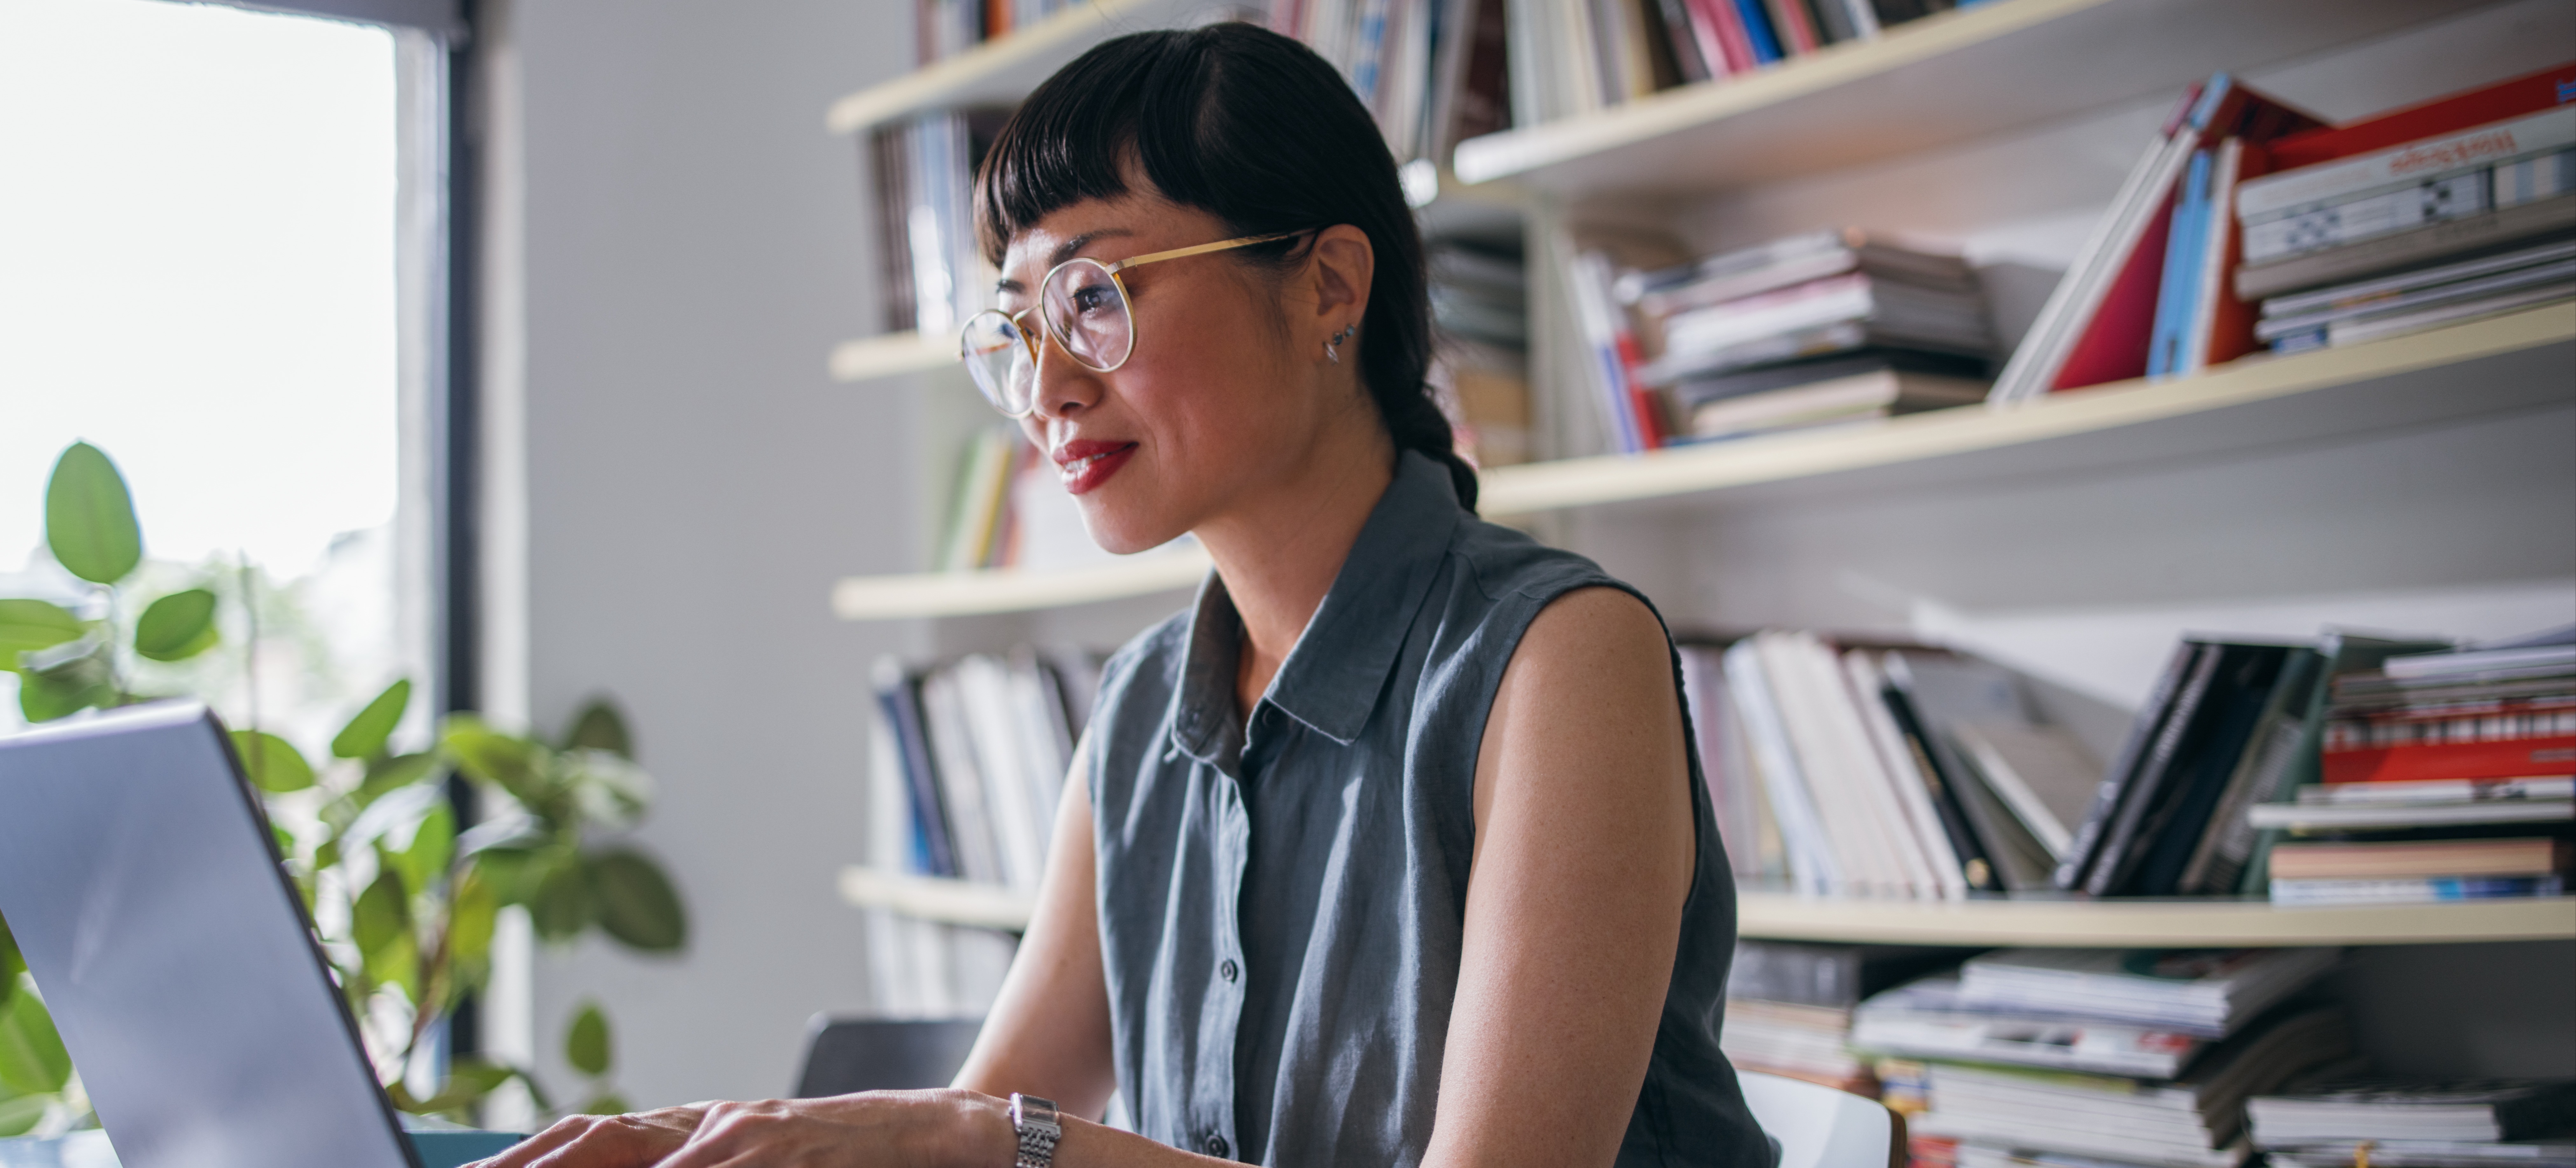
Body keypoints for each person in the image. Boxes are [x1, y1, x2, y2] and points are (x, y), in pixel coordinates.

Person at [475, 22, 1772, 1168]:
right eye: (1017, 329)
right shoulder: (1147, 701)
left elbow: (987, 1132)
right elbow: (980, 1114)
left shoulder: (1560, 660)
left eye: (1093, 297)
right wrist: (696, 1144)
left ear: (1328, 286)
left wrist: (994, 1143)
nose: (1045, 390)